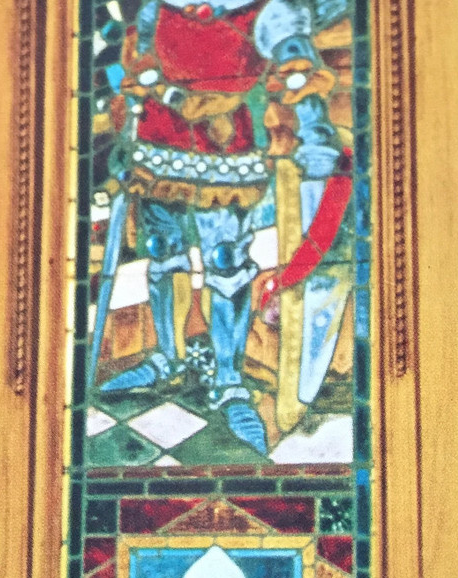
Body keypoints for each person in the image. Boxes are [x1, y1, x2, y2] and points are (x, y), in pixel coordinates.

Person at [93, 0, 350, 455]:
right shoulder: (158, 9)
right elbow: (142, 62)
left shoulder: (265, 10)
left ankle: (230, 382)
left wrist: (315, 133)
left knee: (226, 260)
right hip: (158, 139)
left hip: (224, 143)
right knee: (162, 248)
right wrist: (132, 105)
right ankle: (168, 358)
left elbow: (297, 69)